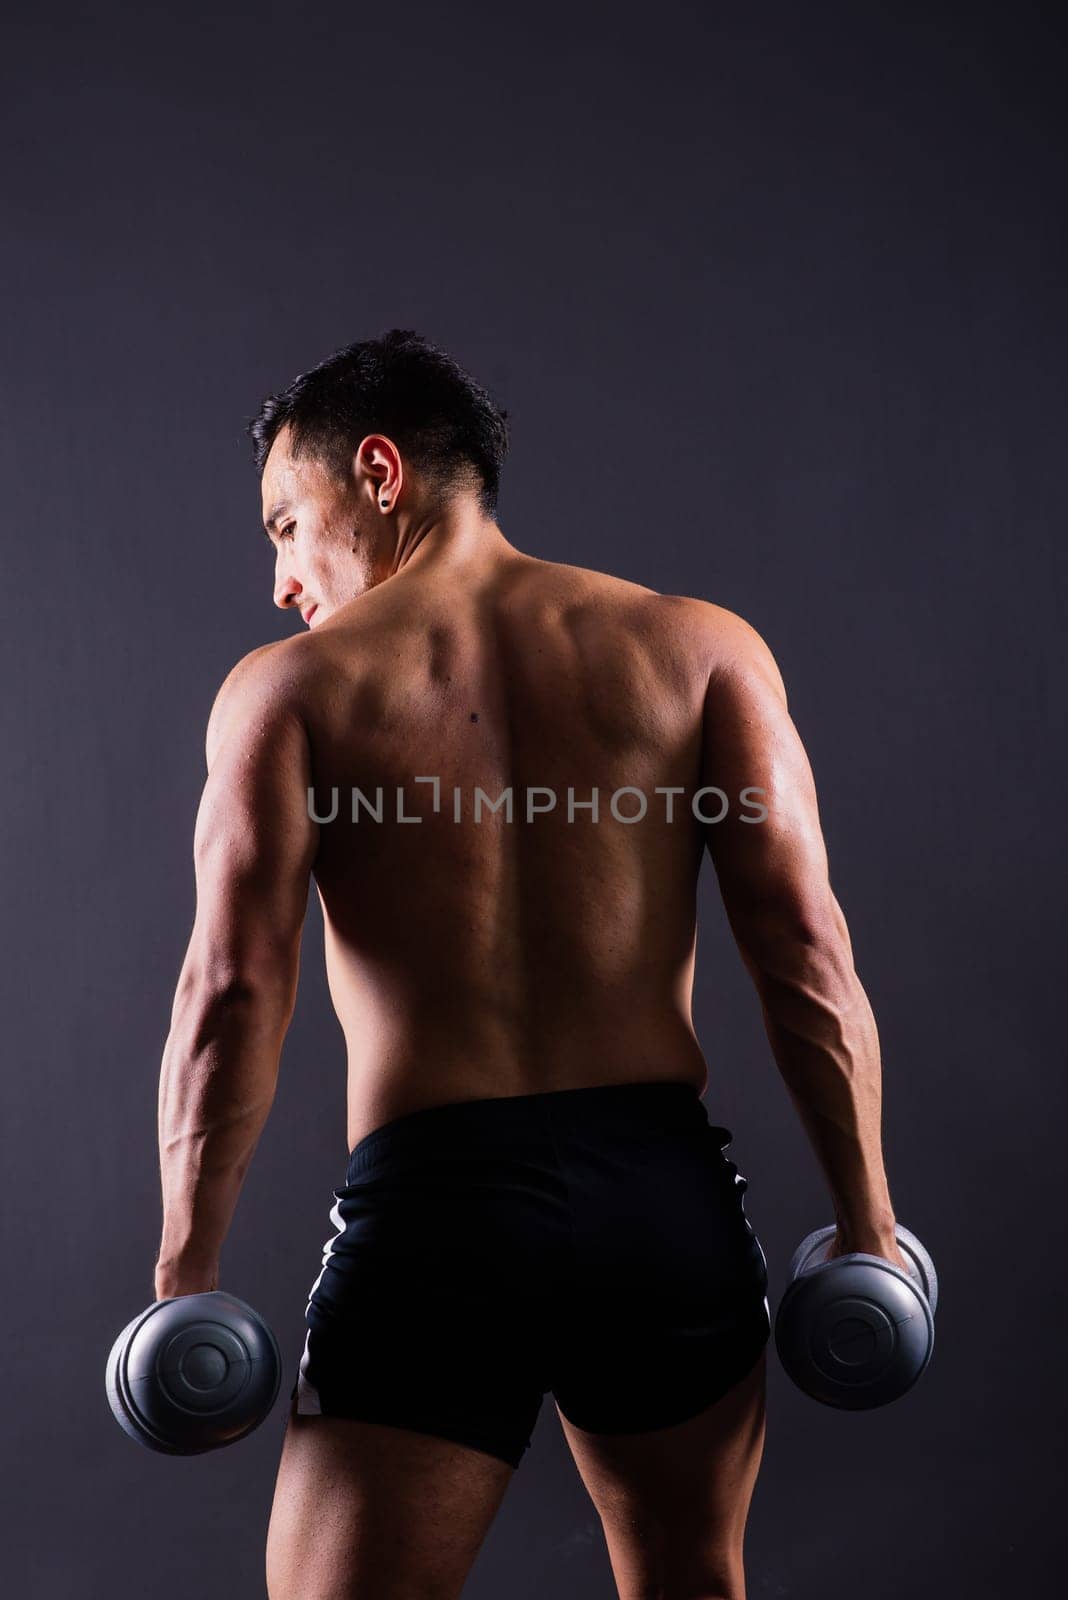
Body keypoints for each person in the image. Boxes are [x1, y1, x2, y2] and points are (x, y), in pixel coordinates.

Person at [154, 329, 908, 1600]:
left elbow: (230, 996)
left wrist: (185, 1278)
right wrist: (871, 1228)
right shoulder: (702, 649)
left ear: (379, 473)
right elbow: (806, 951)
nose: (282, 579)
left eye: (287, 524)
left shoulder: (285, 695)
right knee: (691, 1581)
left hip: (439, 1218)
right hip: (661, 1203)